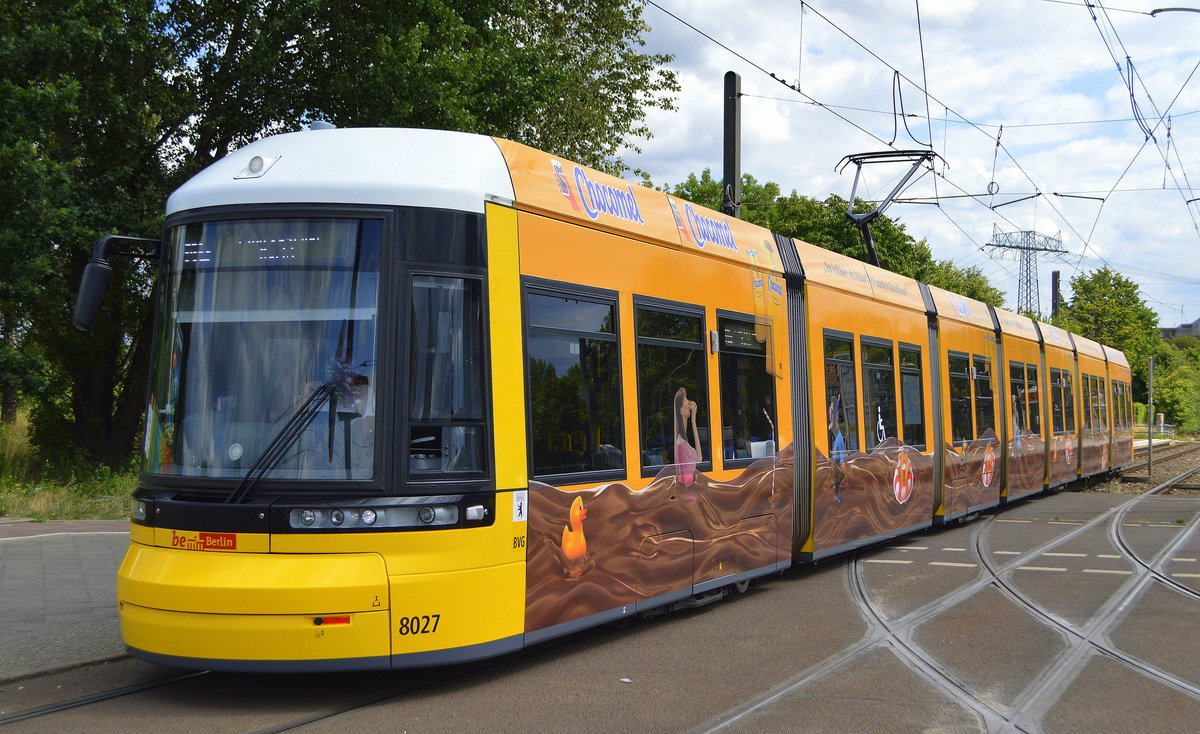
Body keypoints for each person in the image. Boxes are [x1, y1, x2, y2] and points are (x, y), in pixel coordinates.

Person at [673, 387, 703, 486]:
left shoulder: (681, 439)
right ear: (681, 411)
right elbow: (699, 459)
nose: (689, 402)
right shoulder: (681, 442)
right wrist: (693, 420)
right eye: (686, 400)